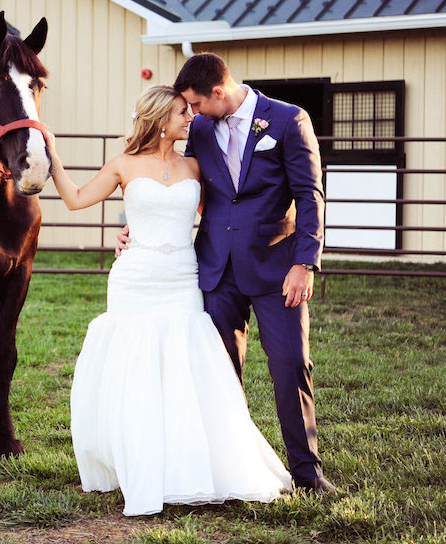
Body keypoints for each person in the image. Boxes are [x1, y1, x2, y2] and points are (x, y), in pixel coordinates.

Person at [44, 85, 292, 517]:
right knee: (136, 369)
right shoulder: (123, 165)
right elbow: (76, 199)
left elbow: (224, 213)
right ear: (161, 121)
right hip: (135, 279)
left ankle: (187, 464)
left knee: (184, 367)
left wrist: (281, 225)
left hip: (182, 276)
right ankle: (138, 461)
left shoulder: (197, 166)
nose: (190, 117)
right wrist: (52, 157)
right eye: (182, 112)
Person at [117, 54, 336, 494]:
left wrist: (305, 263)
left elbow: (310, 195)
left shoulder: (289, 121)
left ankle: (307, 473)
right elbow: (184, 184)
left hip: (279, 270)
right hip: (215, 268)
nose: (191, 114)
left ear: (219, 92)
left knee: (292, 364)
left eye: (196, 104)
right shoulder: (199, 128)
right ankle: (224, 470)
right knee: (217, 370)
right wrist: (141, 223)